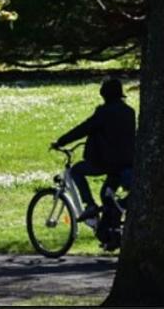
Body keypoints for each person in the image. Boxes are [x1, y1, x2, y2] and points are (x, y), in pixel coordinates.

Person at [52, 76, 135, 221]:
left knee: (76, 170)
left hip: (105, 162)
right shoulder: (129, 112)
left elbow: (83, 129)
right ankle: (110, 228)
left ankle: (89, 204)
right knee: (106, 196)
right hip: (126, 162)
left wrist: (61, 141)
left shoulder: (103, 113)